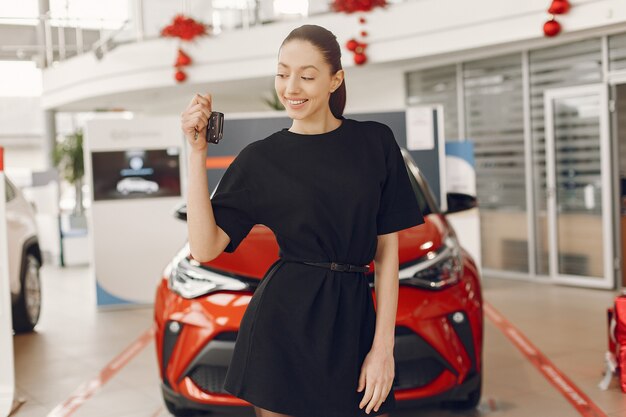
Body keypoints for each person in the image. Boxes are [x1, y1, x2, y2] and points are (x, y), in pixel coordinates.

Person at [180, 24, 424, 417]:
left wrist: (383, 348)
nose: (291, 87)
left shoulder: (375, 143)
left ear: (335, 80)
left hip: (354, 322)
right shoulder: (262, 159)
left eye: (307, 76)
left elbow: (386, 253)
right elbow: (205, 248)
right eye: (282, 73)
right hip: (282, 328)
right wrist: (196, 154)